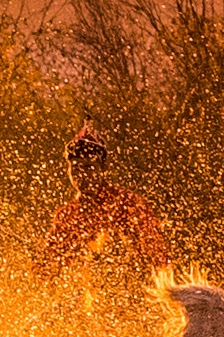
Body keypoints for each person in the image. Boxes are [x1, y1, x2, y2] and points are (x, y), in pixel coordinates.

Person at [35, 120, 169, 286]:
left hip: (132, 292)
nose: (82, 175)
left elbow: (158, 256)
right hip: (86, 300)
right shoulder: (66, 216)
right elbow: (46, 270)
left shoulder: (128, 204)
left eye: (89, 167)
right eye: (76, 168)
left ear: (104, 168)